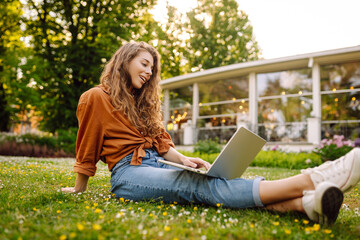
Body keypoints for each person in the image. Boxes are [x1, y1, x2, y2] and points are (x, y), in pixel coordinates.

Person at [62, 41, 360, 225]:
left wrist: (185, 158)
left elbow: (164, 145)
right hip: (128, 174)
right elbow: (86, 146)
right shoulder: (94, 97)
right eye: (144, 64)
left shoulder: (143, 104)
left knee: (208, 177)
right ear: (124, 61)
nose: (149, 72)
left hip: (158, 164)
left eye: (152, 68)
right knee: (193, 186)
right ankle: (314, 178)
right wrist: (79, 188)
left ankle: (305, 205)